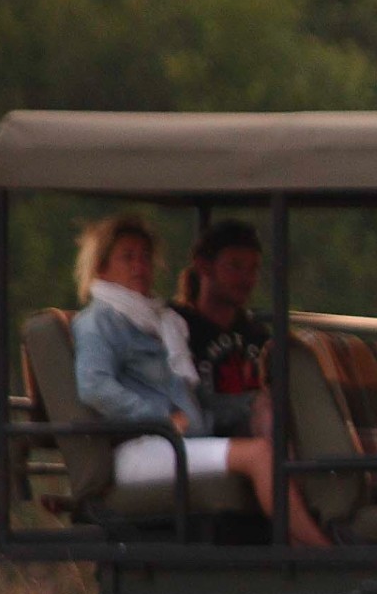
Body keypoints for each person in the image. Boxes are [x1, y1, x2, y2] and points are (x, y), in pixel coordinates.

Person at [69, 212, 327, 546]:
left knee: (269, 421)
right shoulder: (100, 321)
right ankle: (318, 550)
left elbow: (194, 399)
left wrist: (250, 404)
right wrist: (160, 418)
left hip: (177, 441)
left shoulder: (160, 321)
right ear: (102, 267)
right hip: (142, 446)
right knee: (260, 454)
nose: (140, 267)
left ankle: (313, 523)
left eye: (145, 258)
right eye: (127, 258)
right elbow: (95, 387)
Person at [168, 219, 272, 434]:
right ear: (204, 266)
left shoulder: (258, 335)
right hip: (206, 434)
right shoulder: (177, 327)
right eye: (235, 266)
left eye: (253, 269)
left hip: (255, 432)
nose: (246, 279)